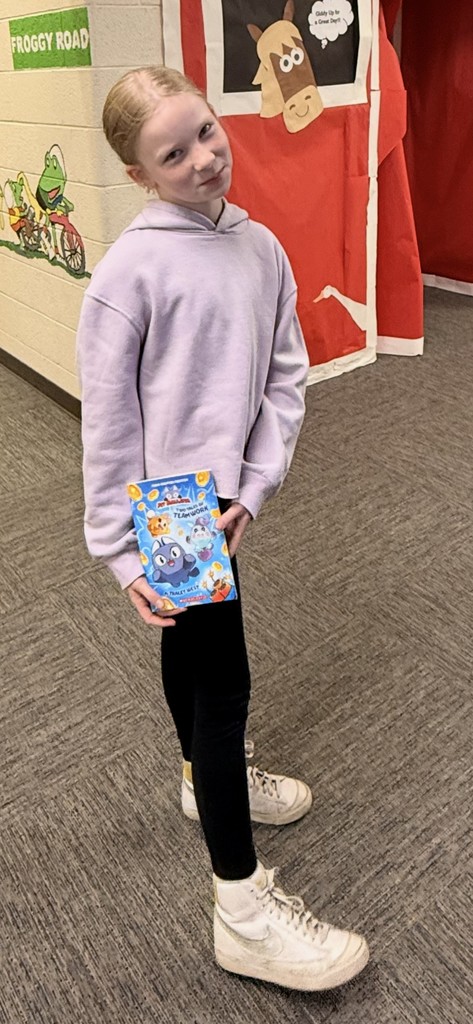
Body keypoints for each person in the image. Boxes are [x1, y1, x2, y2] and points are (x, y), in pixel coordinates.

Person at [77, 65, 369, 991]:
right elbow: (109, 425)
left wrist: (254, 482)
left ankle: (203, 782)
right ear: (140, 175)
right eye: (173, 153)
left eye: (205, 132)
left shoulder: (260, 247)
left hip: (224, 500)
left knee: (200, 669)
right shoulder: (130, 271)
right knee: (224, 683)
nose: (203, 159)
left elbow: (285, 378)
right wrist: (122, 549)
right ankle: (240, 908)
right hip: (170, 511)